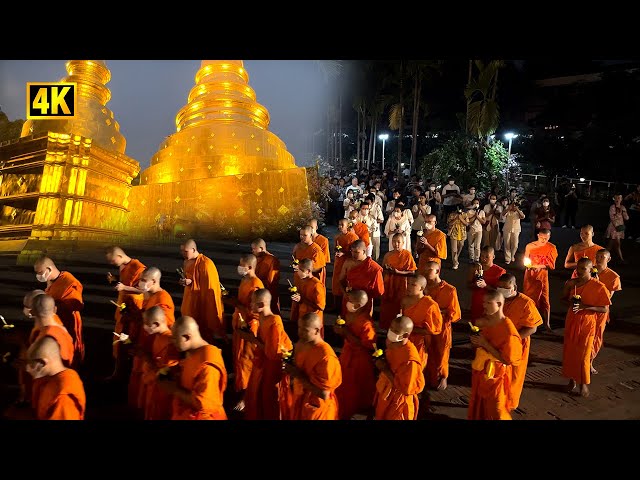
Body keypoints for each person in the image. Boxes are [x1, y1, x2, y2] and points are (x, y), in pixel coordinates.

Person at [467, 290, 522, 420]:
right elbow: (477, 346)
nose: (484, 305)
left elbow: (507, 360)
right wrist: (475, 342)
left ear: (499, 304)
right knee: (478, 403)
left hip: (497, 374)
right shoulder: (481, 322)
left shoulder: (508, 331)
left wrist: (485, 344)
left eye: (488, 302)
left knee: (497, 409)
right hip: (480, 370)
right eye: (483, 302)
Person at [561, 258, 611, 398]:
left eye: (584, 268)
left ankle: (584, 383)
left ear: (591, 269)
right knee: (570, 352)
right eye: (578, 268)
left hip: (587, 324)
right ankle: (572, 381)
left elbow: (604, 309)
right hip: (572, 320)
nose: (580, 271)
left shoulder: (599, 286)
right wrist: (570, 303)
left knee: (583, 355)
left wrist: (585, 307)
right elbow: (562, 299)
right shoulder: (571, 284)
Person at [160, 316, 228, 420]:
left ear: (187, 337)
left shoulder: (208, 365)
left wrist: (174, 389)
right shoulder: (193, 351)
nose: (172, 342)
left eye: (175, 338)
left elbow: (203, 404)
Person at [240, 289, 293, 420]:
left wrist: (252, 339)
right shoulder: (262, 317)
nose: (250, 305)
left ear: (261, 305)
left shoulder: (274, 321)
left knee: (271, 396)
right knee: (259, 390)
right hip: (264, 359)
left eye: (253, 302)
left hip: (274, 363)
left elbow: (273, 352)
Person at [130, 267, 175, 410]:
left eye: (143, 280)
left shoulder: (163, 300)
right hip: (146, 345)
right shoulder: (150, 295)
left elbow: (163, 326)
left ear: (154, 281)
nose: (140, 283)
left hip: (155, 350)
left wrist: (147, 355)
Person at [497, 274, 543, 412]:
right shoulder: (498, 299)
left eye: (506, 288)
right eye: (500, 288)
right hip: (498, 342)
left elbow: (532, 328)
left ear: (514, 287)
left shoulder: (526, 303)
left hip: (517, 344)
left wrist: (512, 340)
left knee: (514, 377)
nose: (502, 291)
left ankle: (509, 405)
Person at [283, 313, 342, 420]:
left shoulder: (326, 356)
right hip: (299, 399)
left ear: (317, 330)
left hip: (317, 408)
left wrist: (298, 375)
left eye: (304, 330)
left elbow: (324, 394)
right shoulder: (302, 343)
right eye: (299, 328)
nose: (299, 333)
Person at [226, 253, 264, 411]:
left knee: (247, 361)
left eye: (242, 265)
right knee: (238, 356)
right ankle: (239, 379)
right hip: (240, 323)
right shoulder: (245, 280)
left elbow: (254, 311)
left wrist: (235, 303)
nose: (239, 268)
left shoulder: (256, 284)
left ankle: (246, 396)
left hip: (249, 326)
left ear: (250, 267)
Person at [33, 256, 84, 368]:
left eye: (40, 272)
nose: (38, 276)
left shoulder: (69, 282)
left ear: (49, 269)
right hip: (53, 321)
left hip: (68, 323)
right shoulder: (51, 279)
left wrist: (52, 306)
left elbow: (77, 304)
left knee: (68, 351)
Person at [334, 290, 377, 420]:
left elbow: (367, 345)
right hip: (347, 352)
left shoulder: (366, 323)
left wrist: (346, 333)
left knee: (357, 385)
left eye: (350, 301)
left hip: (359, 359)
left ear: (358, 305)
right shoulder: (350, 315)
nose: (347, 303)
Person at [105, 246, 146, 380]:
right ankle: (118, 371)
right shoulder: (123, 265)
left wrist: (124, 287)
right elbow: (126, 282)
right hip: (123, 307)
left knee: (128, 340)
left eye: (112, 261)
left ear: (119, 256)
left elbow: (142, 290)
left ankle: (126, 372)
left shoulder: (139, 267)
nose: (112, 264)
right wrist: (115, 280)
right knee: (120, 339)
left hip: (134, 308)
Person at [373, 315, 425, 420]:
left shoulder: (410, 360)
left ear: (405, 335)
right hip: (385, 393)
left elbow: (405, 389)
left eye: (395, 330)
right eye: (390, 328)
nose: (390, 332)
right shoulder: (394, 343)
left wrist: (385, 369)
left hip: (398, 403)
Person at [27, 336, 86, 420]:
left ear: (43, 363)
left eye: (31, 364)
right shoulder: (51, 379)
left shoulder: (63, 395)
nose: (27, 369)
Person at [424, 261, 462, 390]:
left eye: (429, 269)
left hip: (442, 328)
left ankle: (442, 377)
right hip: (426, 327)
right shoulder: (423, 288)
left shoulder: (449, 290)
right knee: (427, 353)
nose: (426, 272)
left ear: (437, 271)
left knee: (441, 355)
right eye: (425, 269)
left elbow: (455, 314)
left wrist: (438, 311)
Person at [138, 306, 180, 420]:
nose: (144, 327)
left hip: (162, 392)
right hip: (153, 387)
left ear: (156, 324)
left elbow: (166, 372)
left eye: (147, 324)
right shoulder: (158, 336)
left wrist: (147, 359)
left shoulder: (170, 342)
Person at [179, 239, 224, 341]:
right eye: (181, 251)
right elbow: (191, 280)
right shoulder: (186, 262)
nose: (183, 254)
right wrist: (186, 282)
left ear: (193, 249)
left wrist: (192, 282)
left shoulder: (206, 264)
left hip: (202, 304)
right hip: (190, 301)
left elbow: (210, 288)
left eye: (185, 251)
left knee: (203, 332)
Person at [401, 274, 443, 368]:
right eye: (408, 283)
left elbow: (433, 330)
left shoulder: (430, 305)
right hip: (403, 340)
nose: (408, 286)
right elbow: (400, 319)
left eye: (413, 285)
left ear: (422, 288)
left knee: (415, 368)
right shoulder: (404, 300)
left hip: (419, 342)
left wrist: (411, 330)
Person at [591, 249, 621, 374]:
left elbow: (607, 299)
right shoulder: (589, 270)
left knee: (596, 338)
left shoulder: (613, 277)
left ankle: (589, 361)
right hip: (584, 308)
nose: (598, 259)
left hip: (600, 311)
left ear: (608, 259)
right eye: (597, 256)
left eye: (602, 257)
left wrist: (597, 283)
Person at [379, 233, 417, 330]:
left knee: (399, 306)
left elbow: (412, 272)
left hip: (401, 285)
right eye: (394, 242)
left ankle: (398, 328)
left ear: (403, 243)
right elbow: (383, 269)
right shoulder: (388, 255)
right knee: (387, 308)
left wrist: (398, 272)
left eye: (398, 242)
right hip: (388, 285)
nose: (396, 244)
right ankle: (386, 327)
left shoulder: (407, 255)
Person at [523, 229, 558, 331]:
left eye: (546, 238)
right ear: (538, 235)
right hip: (531, 275)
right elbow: (526, 259)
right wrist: (528, 265)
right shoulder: (530, 246)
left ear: (549, 237)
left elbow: (551, 265)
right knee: (529, 298)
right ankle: (530, 321)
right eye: (542, 238)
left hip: (542, 276)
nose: (543, 240)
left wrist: (540, 266)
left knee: (545, 300)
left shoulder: (551, 247)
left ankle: (546, 323)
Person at [339, 240, 384, 317]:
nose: (353, 254)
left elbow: (379, 291)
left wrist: (364, 297)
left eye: (356, 252)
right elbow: (341, 280)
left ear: (364, 251)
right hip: (349, 299)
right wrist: (345, 293)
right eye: (352, 251)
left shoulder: (373, 268)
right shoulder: (348, 262)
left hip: (364, 302)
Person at [467, 246, 506, 321]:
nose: (483, 259)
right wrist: (475, 284)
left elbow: (500, 292)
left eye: (487, 257)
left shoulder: (500, 271)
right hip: (477, 303)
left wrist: (485, 286)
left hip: (492, 305)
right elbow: (468, 285)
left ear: (493, 257)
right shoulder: (475, 268)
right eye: (481, 256)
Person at [290, 258, 326, 336]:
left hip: (313, 319)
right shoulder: (301, 280)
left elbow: (321, 307)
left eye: (301, 270)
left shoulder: (316, 285)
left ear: (308, 271)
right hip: (302, 316)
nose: (298, 272)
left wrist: (302, 300)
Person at [332, 218, 360, 312]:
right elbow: (336, 249)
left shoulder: (353, 237)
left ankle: (347, 306)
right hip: (338, 263)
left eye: (342, 225)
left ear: (347, 225)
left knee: (346, 284)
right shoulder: (338, 237)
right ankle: (336, 306)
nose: (340, 227)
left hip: (348, 263)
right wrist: (337, 252)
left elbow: (356, 251)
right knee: (336, 283)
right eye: (339, 225)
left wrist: (345, 253)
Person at [251, 238, 281, 315]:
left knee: (272, 312)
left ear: (261, 248)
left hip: (269, 291)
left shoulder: (272, 260)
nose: (252, 251)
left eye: (254, 249)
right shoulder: (256, 258)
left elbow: (271, 280)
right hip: (258, 289)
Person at [605, 194, 629, 264]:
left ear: (621, 199)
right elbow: (612, 218)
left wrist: (624, 211)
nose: (617, 199)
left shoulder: (623, 207)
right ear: (614, 199)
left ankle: (604, 258)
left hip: (619, 229)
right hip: (614, 229)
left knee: (614, 245)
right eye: (616, 198)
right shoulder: (612, 207)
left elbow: (627, 218)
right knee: (615, 245)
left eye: (619, 198)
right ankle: (621, 259)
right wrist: (617, 226)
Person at [307, 218, 331, 286]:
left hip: (318, 269)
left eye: (312, 227)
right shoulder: (306, 239)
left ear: (316, 227)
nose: (310, 230)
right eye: (308, 227)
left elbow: (325, 259)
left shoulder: (323, 240)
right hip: (306, 268)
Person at [501, 200, 525, 265]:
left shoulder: (519, 212)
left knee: (515, 244)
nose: (513, 206)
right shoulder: (508, 211)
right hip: (507, 229)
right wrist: (508, 208)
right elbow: (503, 214)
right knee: (507, 244)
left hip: (516, 230)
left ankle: (512, 255)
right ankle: (507, 258)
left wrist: (517, 209)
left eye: (515, 205)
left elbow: (522, 216)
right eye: (512, 205)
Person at [447, 205, 469, 270]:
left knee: (460, 247)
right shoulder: (452, 215)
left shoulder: (465, 215)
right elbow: (449, 224)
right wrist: (456, 218)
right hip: (454, 234)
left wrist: (461, 218)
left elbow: (467, 224)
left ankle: (456, 258)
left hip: (462, 234)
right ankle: (455, 263)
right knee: (454, 250)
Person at [466, 198, 486, 263]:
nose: (476, 204)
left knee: (477, 245)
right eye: (474, 203)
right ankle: (471, 258)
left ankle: (477, 258)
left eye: (477, 203)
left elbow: (483, 222)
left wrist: (478, 217)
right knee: (470, 244)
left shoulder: (482, 212)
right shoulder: (469, 212)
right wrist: (475, 216)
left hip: (479, 230)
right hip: (471, 229)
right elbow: (468, 221)